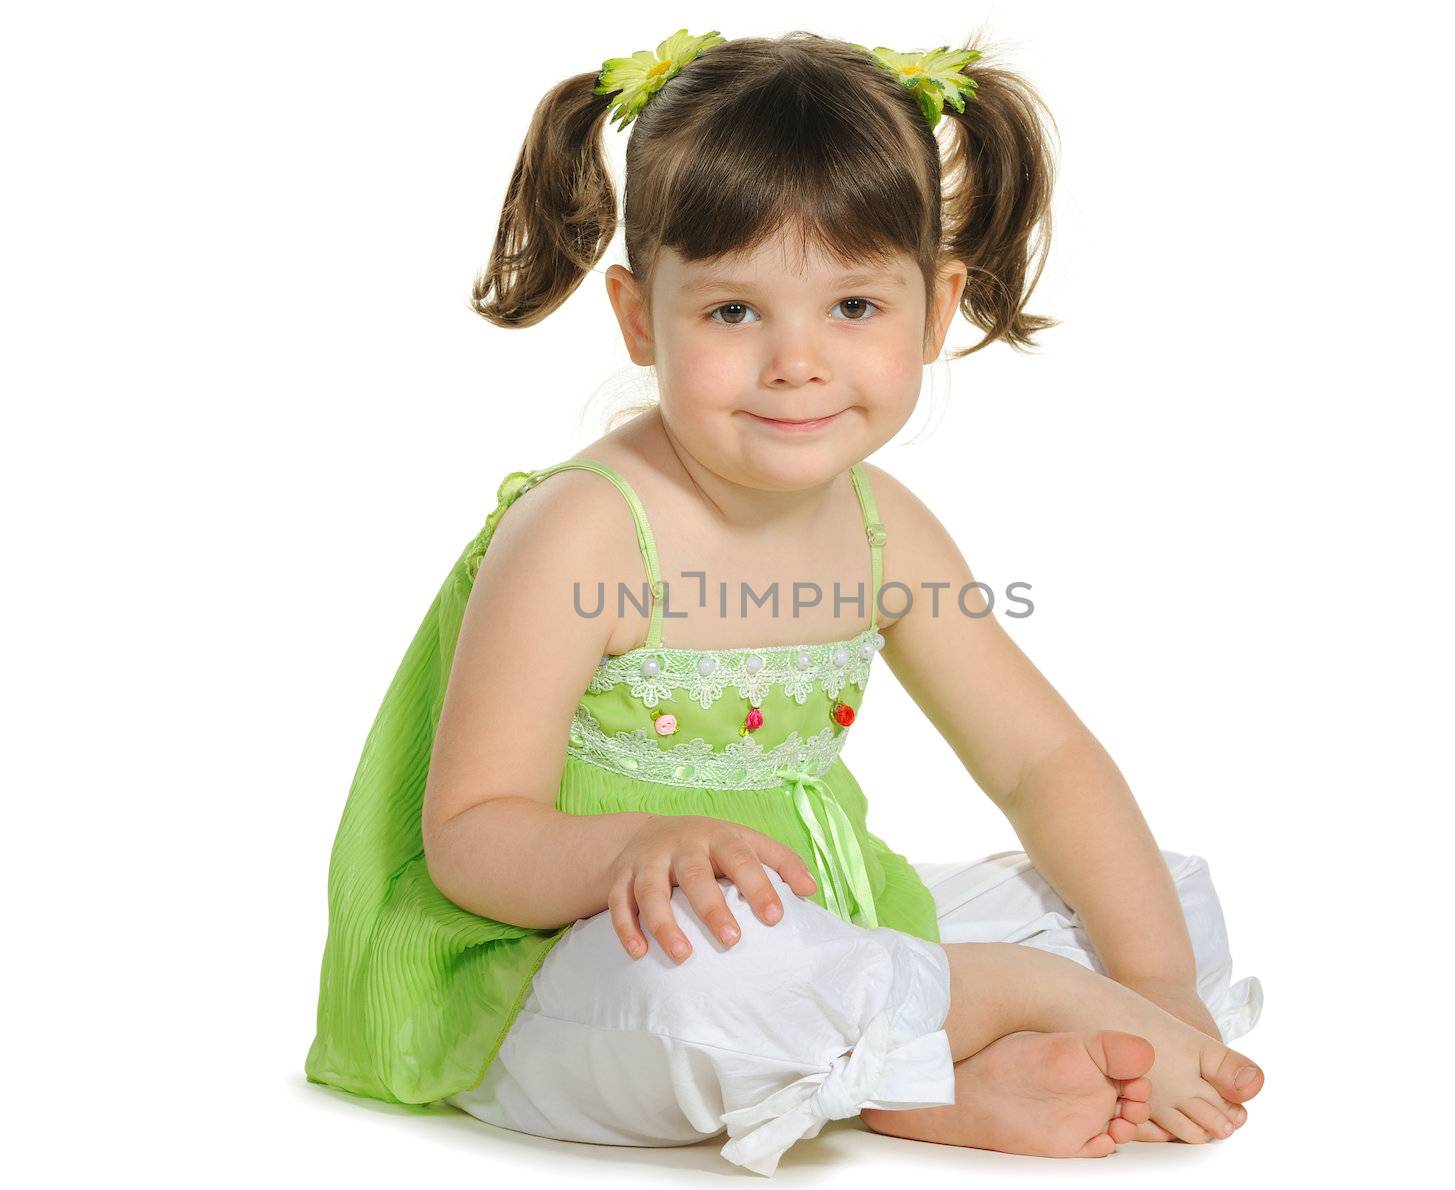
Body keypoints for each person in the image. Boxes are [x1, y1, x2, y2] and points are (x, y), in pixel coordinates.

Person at [303, 27, 1266, 1177]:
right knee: (714, 995)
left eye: (854, 306)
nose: (797, 362)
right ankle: (1009, 1004)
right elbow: (468, 839)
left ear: (938, 302)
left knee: (1159, 892)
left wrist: (1156, 980)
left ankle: (928, 1078)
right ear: (636, 315)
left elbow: (1040, 762)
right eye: (732, 312)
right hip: (570, 967)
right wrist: (634, 847)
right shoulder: (585, 530)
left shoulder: (880, 526)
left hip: (817, 925)